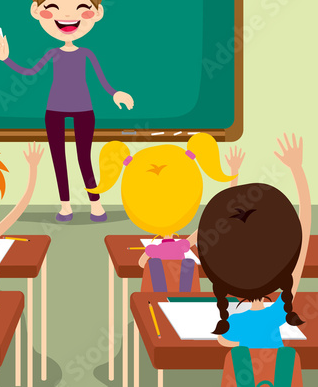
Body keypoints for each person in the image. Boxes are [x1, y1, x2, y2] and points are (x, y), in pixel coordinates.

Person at [0, 0, 134, 222]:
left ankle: (95, 203)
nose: (67, 16)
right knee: (59, 159)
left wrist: (116, 93)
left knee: (84, 158)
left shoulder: (87, 53)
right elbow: (30, 72)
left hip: (84, 110)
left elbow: (102, 81)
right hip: (54, 111)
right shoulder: (53, 53)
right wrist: (6, 59)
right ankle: (65, 205)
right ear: (36, 10)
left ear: (97, 12)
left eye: (83, 7)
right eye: (52, 7)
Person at [198, 134, 310, 349]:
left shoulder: (234, 323)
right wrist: (297, 169)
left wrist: (233, 176)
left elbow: (224, 341)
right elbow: (304, 230)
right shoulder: (279, 312)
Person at [88, 133, 235, 259]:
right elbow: (221, 214)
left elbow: (141, 263)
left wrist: (147, 255)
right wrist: (234, 172)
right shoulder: (184, 245)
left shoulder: (152, 250)